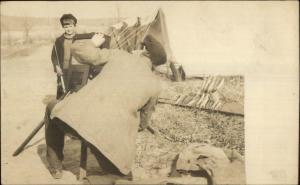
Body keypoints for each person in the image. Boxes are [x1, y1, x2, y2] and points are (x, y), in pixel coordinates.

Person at [45, 35, 166, 181]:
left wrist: (92, 42)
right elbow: (143, 124)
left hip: (76, 121)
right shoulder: (155, 84)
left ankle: (55, 166)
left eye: (140, 47)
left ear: (144, 51)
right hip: (109, 138)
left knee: (51, 106)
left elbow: (78, 49)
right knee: (122, 177)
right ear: (155, 63)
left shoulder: (120, 55)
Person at [51, 14, 110, 99]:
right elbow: (54, 55)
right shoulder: (59, 40)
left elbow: (93, 41)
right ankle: (61, 109)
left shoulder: (81, 38)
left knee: (76, 92)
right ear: (63, 28)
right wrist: (56, 66)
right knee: (63, 92)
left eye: (70, 26)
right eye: (66, 27)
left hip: (76, 69)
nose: (68, 29)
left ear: (75, 26)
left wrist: (100, 36)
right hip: (63, 70)